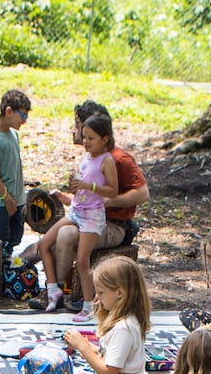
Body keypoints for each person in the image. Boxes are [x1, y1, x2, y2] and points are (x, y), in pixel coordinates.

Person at [36, 100, 149, 313]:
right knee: (47, 241)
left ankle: (69, 293)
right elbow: (87, 196)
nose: (74, 131)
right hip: (83, 213)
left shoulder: (117, 159)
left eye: (78, 125)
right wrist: (70, 196)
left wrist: (107, 201)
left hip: (112, 223)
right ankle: (52, 287)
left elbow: (142, 193)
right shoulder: (88, 157)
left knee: (67, 237)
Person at [36, 113, 117, 325]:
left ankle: (89, 306)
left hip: (92, 216)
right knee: (44, 244)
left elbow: (113, 191)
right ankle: (53, 289)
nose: (86, 142)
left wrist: (88, 186)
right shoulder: (86, 157)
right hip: (76, 210)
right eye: (85, 137)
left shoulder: (106, 160)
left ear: (104, 139)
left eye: (91, 138)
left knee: (82, 261)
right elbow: (81, 186)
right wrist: (73, 188)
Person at [0, 89, 31, 261]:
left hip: (18, 200)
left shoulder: (13, 135)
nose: (24, 121)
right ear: (9, 111)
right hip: (4, 203)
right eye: (23, 116)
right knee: (0, 242)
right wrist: (7, 198)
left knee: (15, 238)